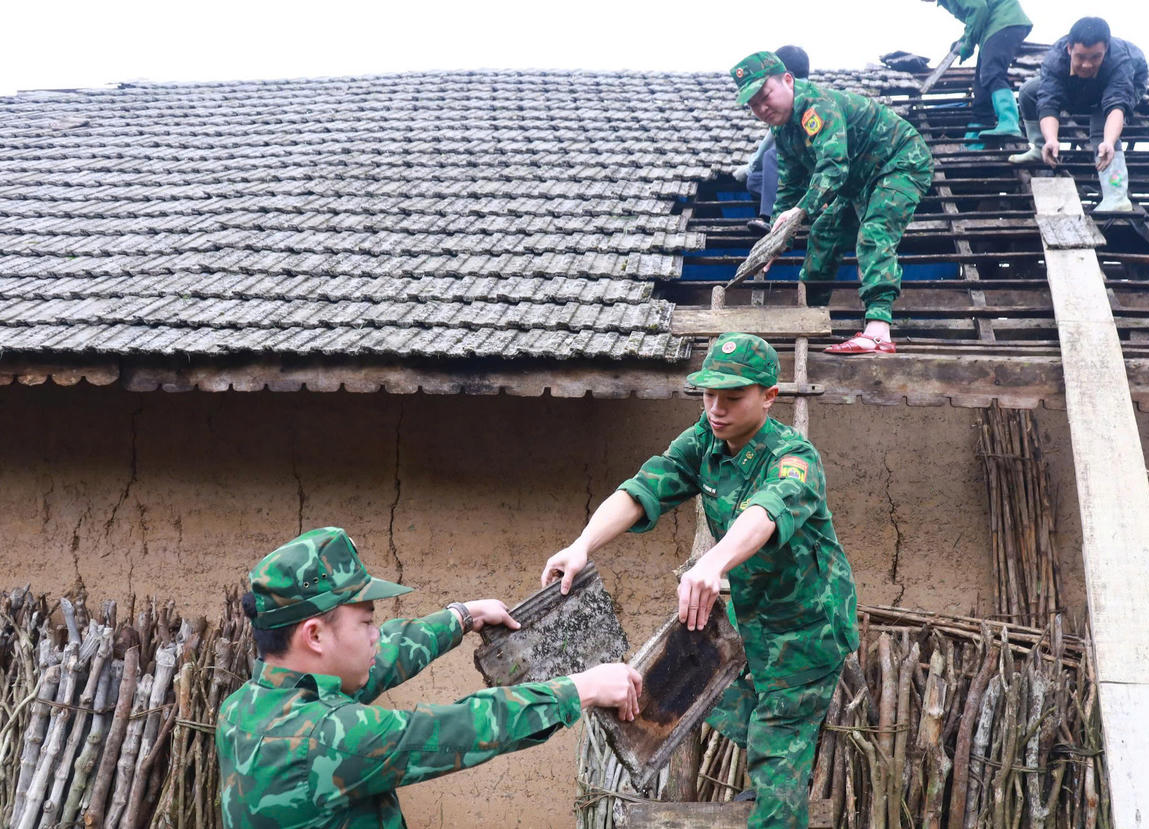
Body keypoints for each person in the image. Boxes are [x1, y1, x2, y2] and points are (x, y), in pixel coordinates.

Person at [542, 332, 858, 829]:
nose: (716, 408)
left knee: (777, 760)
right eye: (709, 394)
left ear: (769, 397)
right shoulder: (704, 441)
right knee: (684, 688)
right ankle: (781, 748)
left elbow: (765, 512)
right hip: (752, 618)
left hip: (807, 630)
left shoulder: (794, 458)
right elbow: (645, 487)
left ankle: (779, 783)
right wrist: (583, 545)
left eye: (732, 397)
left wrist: (713, 563)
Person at [217, 526, 642, 828]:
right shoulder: (324, 738)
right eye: (366, 623)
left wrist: (462, 617)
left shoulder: (244, 709)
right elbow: (456, 728)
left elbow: (383, 659)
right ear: (314, 635)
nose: (375, 635)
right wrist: (580, 688)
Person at [732, 51, 933, 355]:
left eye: (765, 95)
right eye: (753, 104)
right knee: (823, 232)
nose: (761, 108)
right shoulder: (782, 130)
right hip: (858, 180)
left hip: (900, 161)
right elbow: (789, 184)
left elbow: (834, 167)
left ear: (788, 80)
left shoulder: (818, 106)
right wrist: (775, 239)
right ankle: (810, 316)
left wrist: (801, 210)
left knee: (875, 231)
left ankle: (878, 331)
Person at [1008, 16, 1147, 212]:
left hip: (1125, 82)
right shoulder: (1055, 60)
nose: (1087, 65)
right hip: (1079, 85)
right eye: (1080, 57)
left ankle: (1116, 196)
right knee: (1029, 92)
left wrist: (1109, 142)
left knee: (1102, 131)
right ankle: (1040, 148)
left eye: (1095, 57)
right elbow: (1049, 102)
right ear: (1069, 49)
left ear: (1105, 50)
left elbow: (1116, 105)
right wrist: (1051, 139)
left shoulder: (1120, 62)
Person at [920, 0, 1032, 148]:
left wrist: (968, 44)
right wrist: (964, 39)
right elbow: (974, 19)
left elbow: (979, 10)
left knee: (992, 73)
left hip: (1003, 23)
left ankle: (1009, 121)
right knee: (982, 86)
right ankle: (976, 136)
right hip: (993, 29)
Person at [733, 45, 812, 235]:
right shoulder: (790, 93)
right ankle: (794, 206)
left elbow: (769, 143)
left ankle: (770, 218)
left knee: (771, 157)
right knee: (755, 180)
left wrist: (749, 168)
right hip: (802, 173)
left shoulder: (802, 97)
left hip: (815, 173)